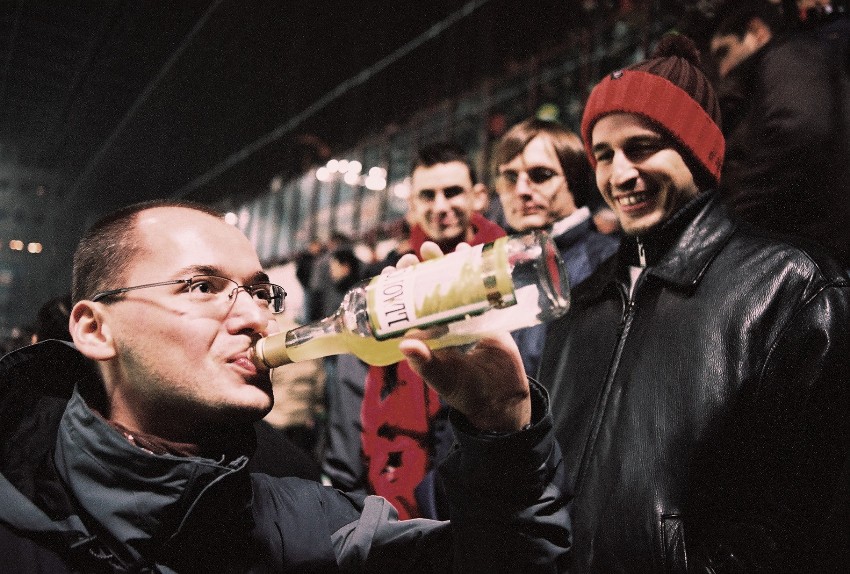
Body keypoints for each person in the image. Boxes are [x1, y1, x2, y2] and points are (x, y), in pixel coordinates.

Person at [0, 200, 569, 572]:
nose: (256, 318)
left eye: (260, 293)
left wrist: (502, 430)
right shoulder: (17, 521)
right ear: (95, 329)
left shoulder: (317, 524)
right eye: (202, 287)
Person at [534, 34, 849, 571]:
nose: (619, 175)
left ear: (697, 152)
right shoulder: (579, 305)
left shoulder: (791, 287)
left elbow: (809, 518)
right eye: (603, 155)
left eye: (642, 147)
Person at [360, 142, 506, 520]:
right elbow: (370, 401)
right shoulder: (388, 286)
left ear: (479, 197)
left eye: (452, 192)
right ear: (411, 205)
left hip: (493, 478)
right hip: (406, 494)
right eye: (428, 195)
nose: (441, 206)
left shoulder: (506, 273)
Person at [708, 0, 850, 270]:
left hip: (817, 255)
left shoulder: (787, 56)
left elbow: (800, 129)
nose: (723, 69)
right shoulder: (778, 71)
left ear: (756, 31)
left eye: (725, 52)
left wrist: (732, 217)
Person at [492, 118, 618, 376]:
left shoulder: (607, 260)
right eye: (510, 178)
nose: (521, 190)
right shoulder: (495, 263)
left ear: (574, 181)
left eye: (541, 175)